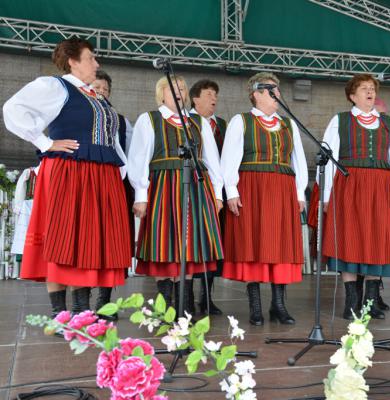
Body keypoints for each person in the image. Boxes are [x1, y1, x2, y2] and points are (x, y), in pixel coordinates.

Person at [3, 37, 131, 317]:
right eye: (90, 58)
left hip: (99, 174)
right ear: (73, 62)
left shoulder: (95, 95)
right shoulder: (55, 87)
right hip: (72, 172)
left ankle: (82, 311)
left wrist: (120, 171)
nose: (96, 63)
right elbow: (12, 109)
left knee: (88, 241)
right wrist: (45, 143)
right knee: (67, 238)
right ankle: (63, 315)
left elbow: (112, 140)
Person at [128, 76, 224, 316]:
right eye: (174, 89)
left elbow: (212, 160)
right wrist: (141, 194)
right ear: (162, 94)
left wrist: (218, 193)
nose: (179, 92)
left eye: (182, 88)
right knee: (165, 241)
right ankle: (166, 300)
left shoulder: (198, 122)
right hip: (163, 186)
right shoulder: (150, 119)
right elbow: (138, 159)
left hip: (195, 187)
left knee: (190, 243)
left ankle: (185, 301)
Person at [220, 72, 308, 326]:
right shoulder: (242, 121)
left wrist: (299, 192)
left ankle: (278, 305)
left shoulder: (288, 124)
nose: (275, 93)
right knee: (254, 243)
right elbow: (230, 158)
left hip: (282, 188)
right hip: (252, 187)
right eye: (269, 89)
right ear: (255, 94)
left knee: (280, 244)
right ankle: (256, 306)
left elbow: (298, 160)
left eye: (277, 89)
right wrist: (232, 190)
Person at [321, 74, 390, 320]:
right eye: (364, 89)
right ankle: (351, 301)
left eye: (372, 89)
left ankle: (370, 301)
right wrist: (327, 195)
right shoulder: (340, 121)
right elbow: (329, 159)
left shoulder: (388, 122)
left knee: (377, 239)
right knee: (351, 237)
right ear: (352, 95)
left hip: (381, 185)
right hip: (350, 185)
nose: (370, 93)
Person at [91, 70, 134, 320]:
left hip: (114, 186)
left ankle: (104, 303)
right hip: (86, 186)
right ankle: (81, 302)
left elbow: (130, 155)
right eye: (98, 87)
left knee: (111, 244)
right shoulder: (76, 116)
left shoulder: (120, 121)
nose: (102, 93)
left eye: (106, 89)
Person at [189, 79, 228, 315]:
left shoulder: (221, 124)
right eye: (209, 94)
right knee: (191, 241)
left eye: (216, 94)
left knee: (211, 244)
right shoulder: (186, 121)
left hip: (217, 190)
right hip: (192, 188)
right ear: (195, 98)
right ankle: (186, 296)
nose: (214, 98)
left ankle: (206, 296)